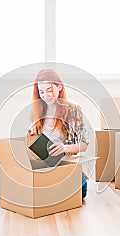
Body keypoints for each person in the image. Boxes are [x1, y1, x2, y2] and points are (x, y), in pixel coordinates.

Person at [27, 69, 88, 199]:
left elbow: (83, 145)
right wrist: (32, 135)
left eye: (49, 90)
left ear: (59, 86)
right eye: (41, 92)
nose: (45, 95)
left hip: (65, 163)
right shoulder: (36, 111)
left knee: (81, 191)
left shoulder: (73, 109)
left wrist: (64, 148)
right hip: (44, 165)